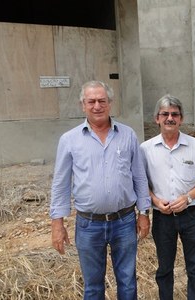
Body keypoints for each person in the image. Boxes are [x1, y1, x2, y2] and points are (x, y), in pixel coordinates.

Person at [50, 80, 151, 300]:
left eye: (102, 101)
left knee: (127, 283)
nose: (97, 106)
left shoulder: (128, 135)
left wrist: (144, 213)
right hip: (88, 225)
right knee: (93, 287)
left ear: (110, 103)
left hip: (124, 222)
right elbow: (61, 183)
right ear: (82, 105)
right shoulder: (69, 140)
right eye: (91, 101)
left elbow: (139, 176)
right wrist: (57, 223)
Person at [140, 94, 195, 300]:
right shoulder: (146, 149)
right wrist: (155, 201)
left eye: (175, 114)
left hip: (191, 215)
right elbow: (140, 183)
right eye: (165, 114)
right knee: (164, 268)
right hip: (162, 218)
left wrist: (188, 197)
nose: (170, 118)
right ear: (157, 118)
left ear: (181, 118)